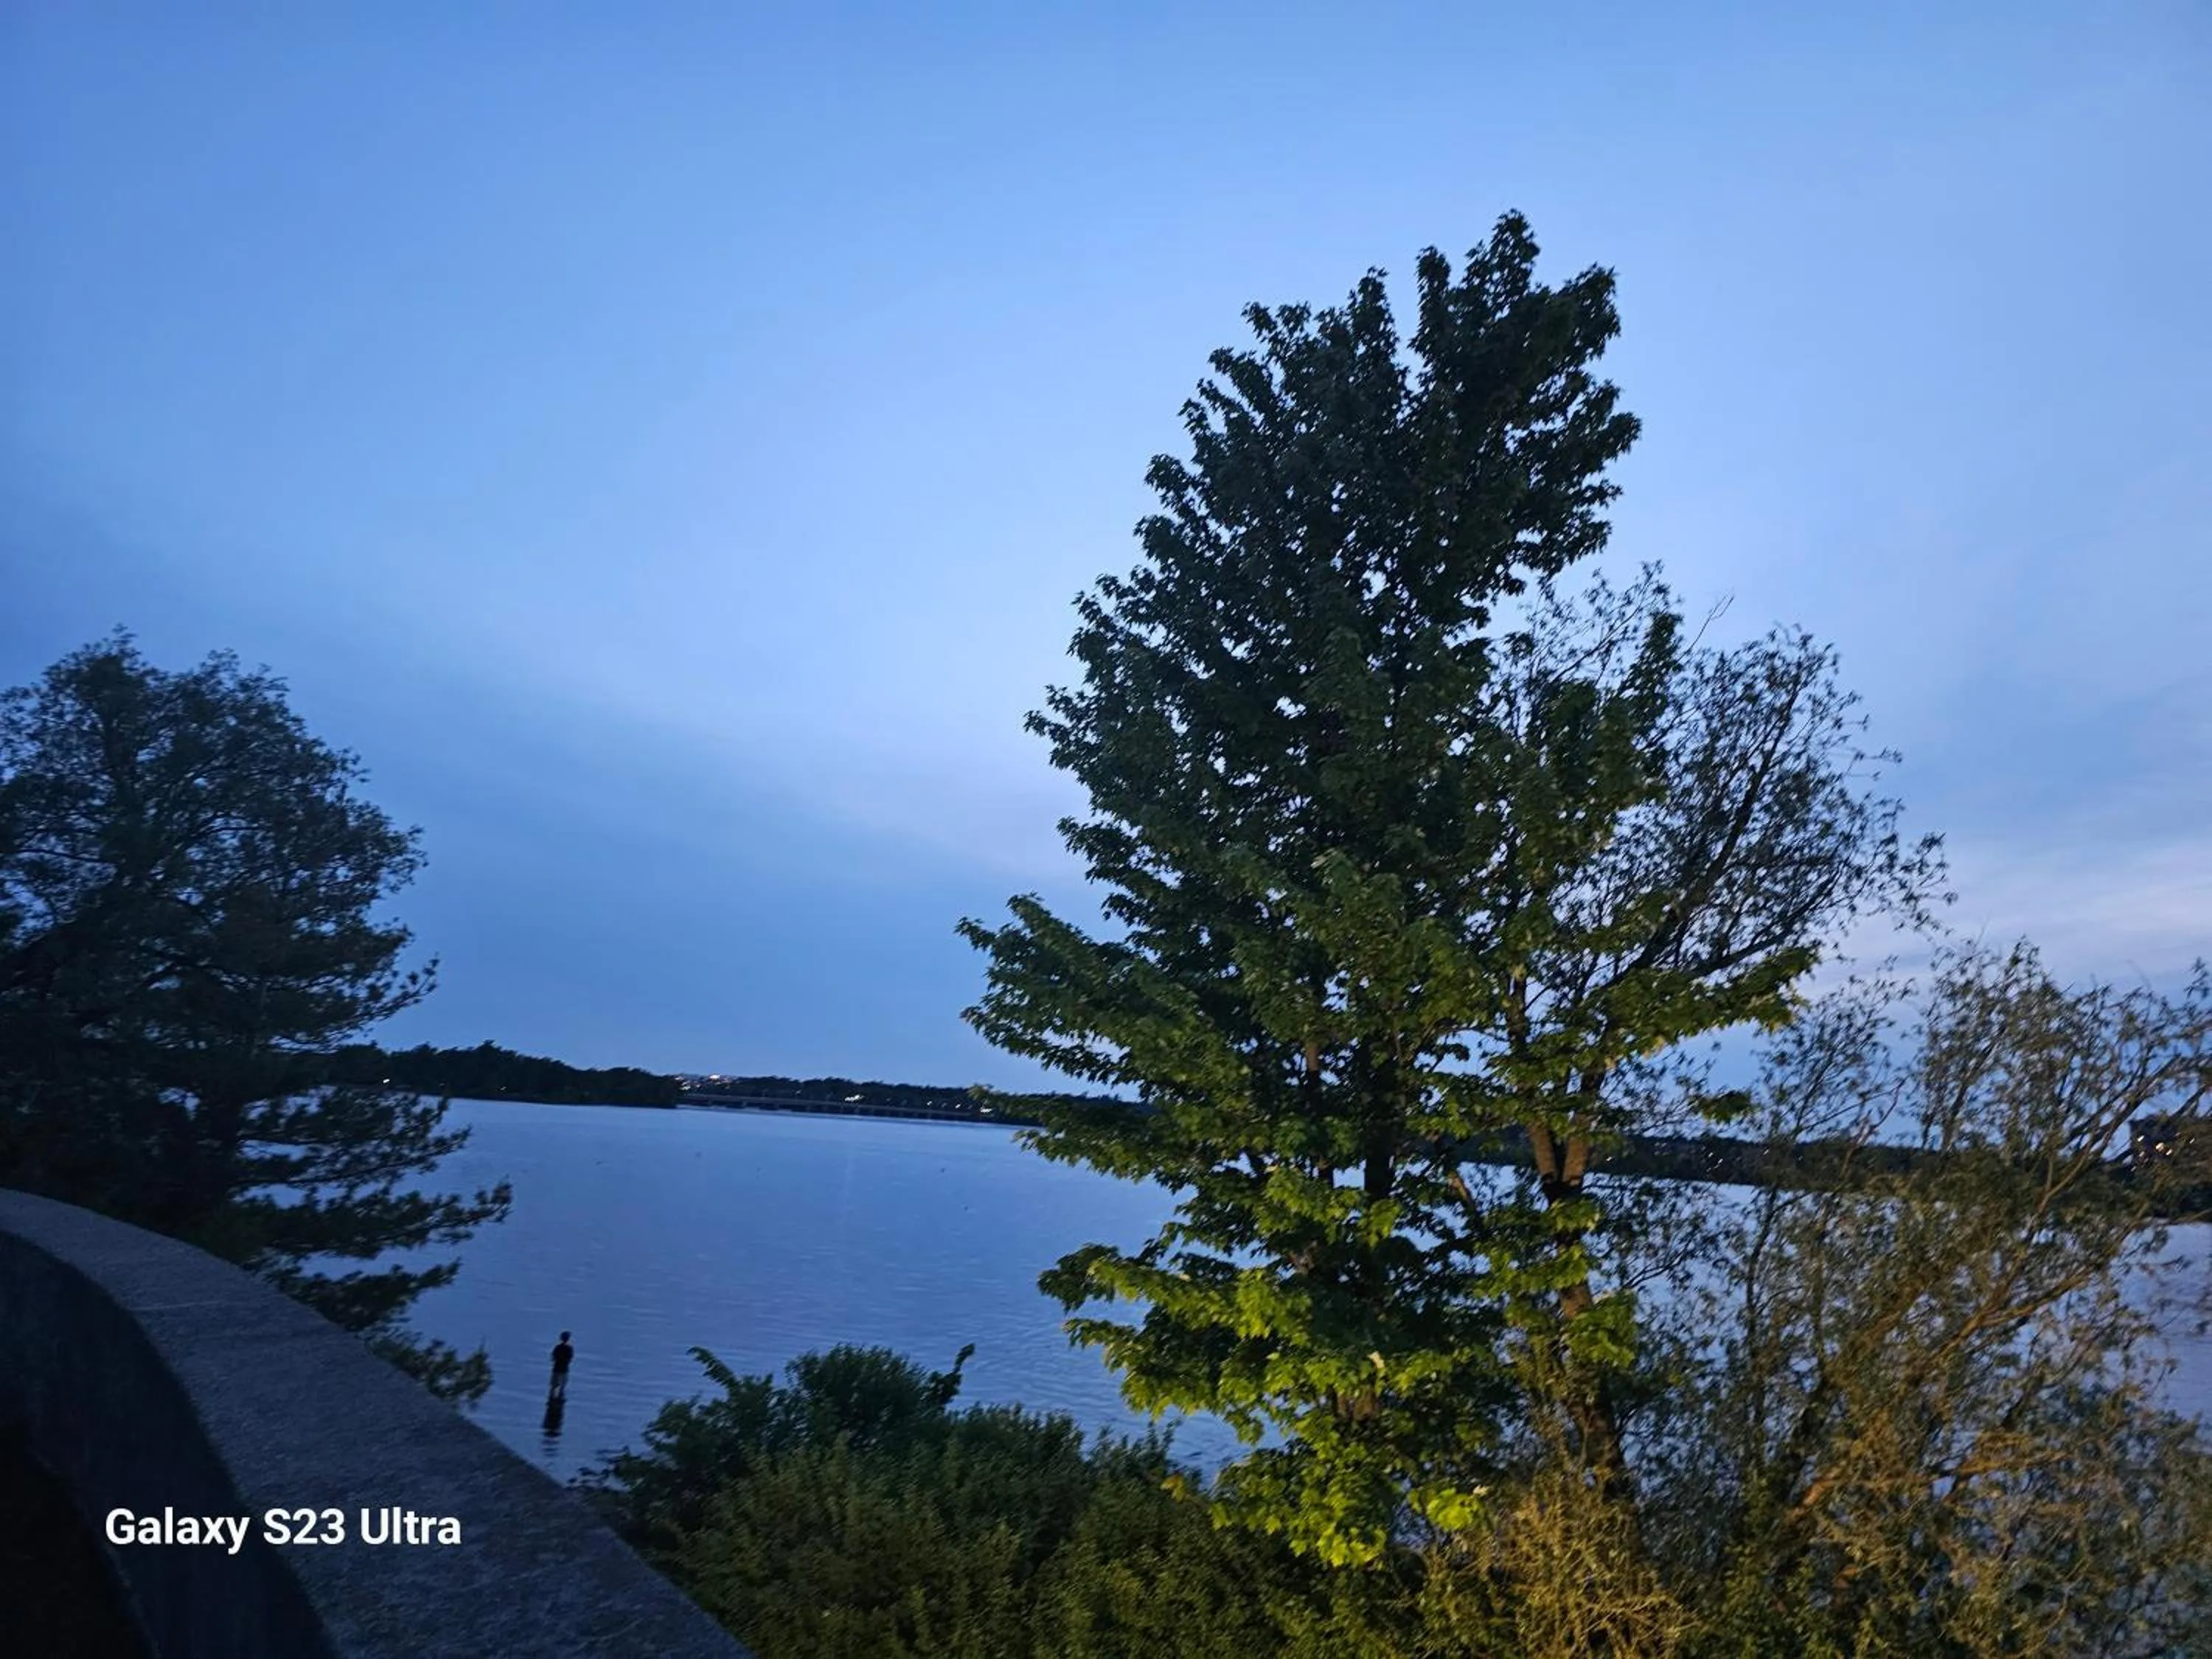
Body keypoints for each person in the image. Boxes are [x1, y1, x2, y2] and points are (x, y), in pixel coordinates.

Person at [549, 1331, 575, 1399]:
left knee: (553, 1387)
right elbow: (570, 1359)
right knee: (562, 1387)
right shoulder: (569, 1348)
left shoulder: (558, 1347)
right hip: (564, 1369)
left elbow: (552, 1358)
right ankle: (560, 1400)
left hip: (556, 1369)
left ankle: (552, 1400)